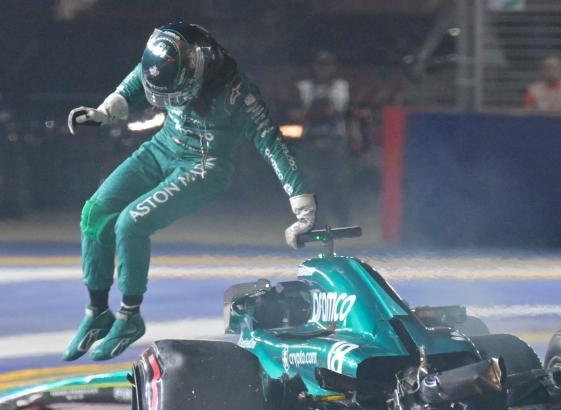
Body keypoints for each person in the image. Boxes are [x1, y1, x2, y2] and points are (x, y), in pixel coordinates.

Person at [63, 22, 315, 361]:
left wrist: (302, 205)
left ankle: (129, 316)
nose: (169, 102)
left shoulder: (238, 94)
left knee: (130, 224)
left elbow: (272, 144)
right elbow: (141, 76)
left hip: (204, 165)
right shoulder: (173, 58)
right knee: (95, 211)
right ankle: (97, 312)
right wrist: (106, 111)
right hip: (163, 146)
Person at [293, 51, 358, 225]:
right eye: (321, 66)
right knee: (312, 183)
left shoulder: (342, 87)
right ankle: (316, 221)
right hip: (311, 140)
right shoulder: (304, 87)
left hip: (336, 140)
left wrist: (353, 137)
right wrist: (309, 114)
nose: (324, 70)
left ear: (334, 68)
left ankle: (342, 220)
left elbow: (349, 114)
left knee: (340, 182)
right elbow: (292, 113)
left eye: (328, 66)